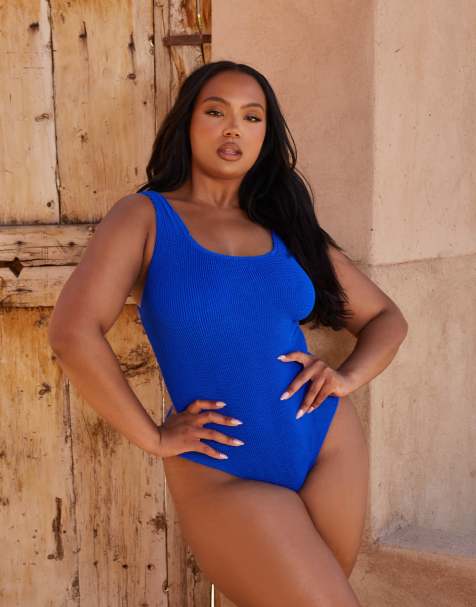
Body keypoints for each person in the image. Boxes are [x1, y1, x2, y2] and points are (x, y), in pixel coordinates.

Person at [48, 60, 408, 606]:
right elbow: (72, 333)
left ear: (267, 134)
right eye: (216, 112)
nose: (234, 128)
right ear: (187, 123)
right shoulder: (144, 218)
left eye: (252, 116)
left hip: (327, 448)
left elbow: (387, 319)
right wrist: (154, 438)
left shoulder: (287, 228)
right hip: (223, 471)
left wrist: (346, 377)